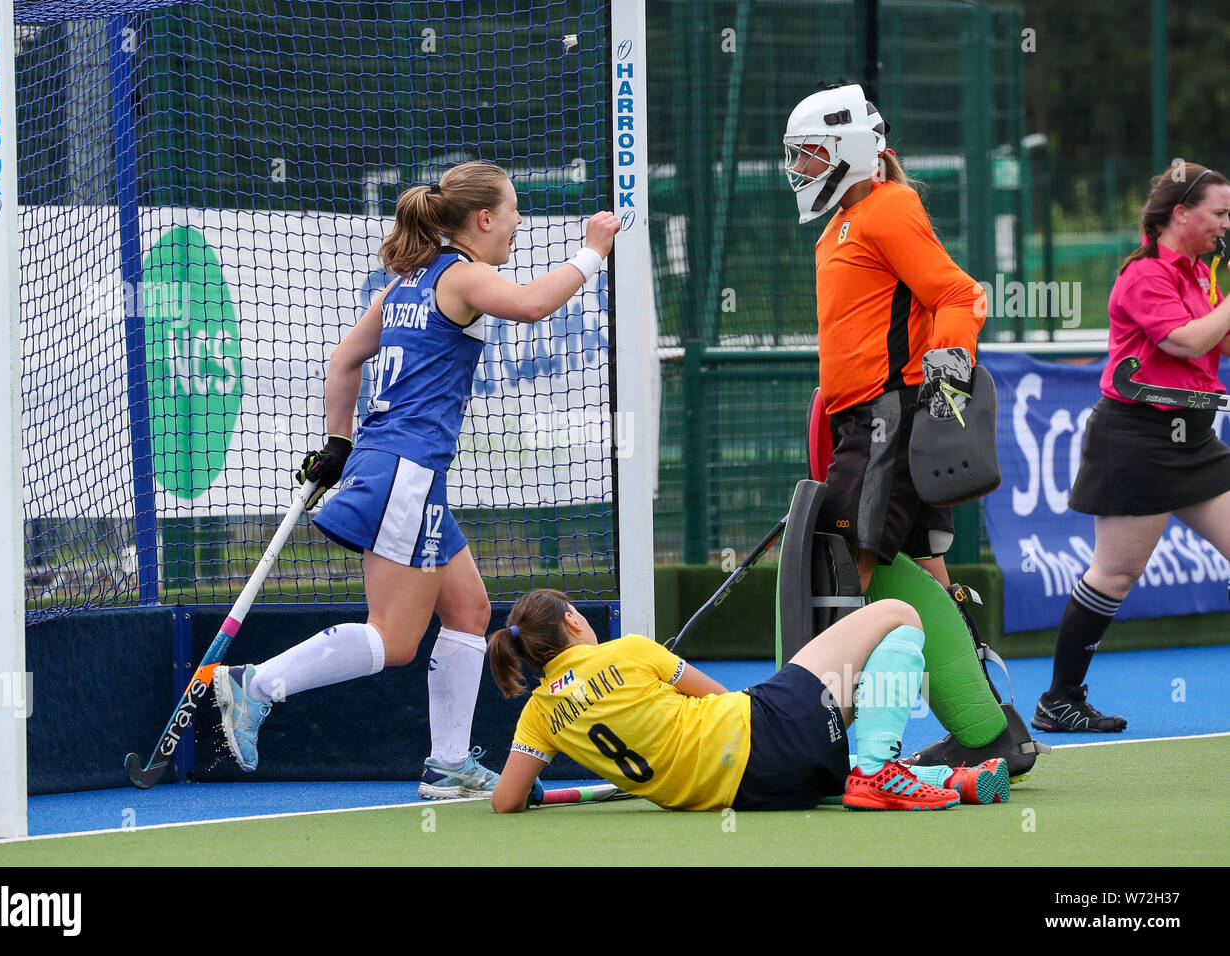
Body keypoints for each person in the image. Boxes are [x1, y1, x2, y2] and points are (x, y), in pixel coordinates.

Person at [212, 160, 621, 797]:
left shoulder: (406, 281)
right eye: (513, 212)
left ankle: (449, 763)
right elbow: (534, 305)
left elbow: (346, 360)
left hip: (401, 468)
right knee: (395, 637)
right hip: (406, 470)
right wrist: (593, 252)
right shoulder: (464, 274)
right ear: (483, 219)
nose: (518, 224)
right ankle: (256, 684)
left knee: (469, 610)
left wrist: (339, 439)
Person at [489, 589, 1010, 813]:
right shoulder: (628, 650)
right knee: (898, 614)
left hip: (754, 792)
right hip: (769, 730)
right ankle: (878, 770)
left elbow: (504, 801)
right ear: (574, 622)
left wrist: (533, 786)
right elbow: (720, 696)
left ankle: (947, 780)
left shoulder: (539, 716)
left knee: (827, 764)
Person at [1033, 162, 1230, 732]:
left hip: (1194, 441)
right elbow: (1189, 341)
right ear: (1181, 214)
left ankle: (1059, 698)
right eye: (1218, 213)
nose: (1225, 224)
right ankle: (1059, 699)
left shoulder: (1202, 273)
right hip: (1137, 440)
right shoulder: (1145, 275)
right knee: (1115, 575)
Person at [783, 82, 986, 595]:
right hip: (862, 418)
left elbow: (960, 296)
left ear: (848, 149)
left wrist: (948, 391)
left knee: (843, 572)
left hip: (887, 416)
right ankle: (971, 672)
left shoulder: (890, 206)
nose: (798, 168)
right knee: (926, 566)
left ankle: (825, 678)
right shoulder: (837, 227)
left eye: (809, 154)